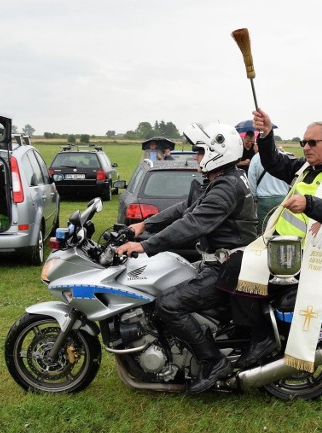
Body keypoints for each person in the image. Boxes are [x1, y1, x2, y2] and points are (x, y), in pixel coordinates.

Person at [117, 122, 258, 393]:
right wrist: (145, 225)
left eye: (200, 151)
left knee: (168, 304)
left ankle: (213, 362)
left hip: (228, 267)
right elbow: (185, 208)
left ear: (218, 152)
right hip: (221, 261)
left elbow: (192, 224)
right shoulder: (223, 179)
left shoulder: (226, 187)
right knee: (164, 282)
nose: (196, 157)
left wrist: (145, 247)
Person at [226, 109, 322, 370]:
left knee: (235, 268)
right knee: (233, 261)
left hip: (307, 259)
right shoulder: (305, 168)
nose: (306, 147)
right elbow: (274, 163)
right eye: (303, 142)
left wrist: (310, 203)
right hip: (285, 250)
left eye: (312, 142)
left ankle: (260, 336)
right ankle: (243, 330)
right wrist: (267, 134)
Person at [248, 152, 290, 234]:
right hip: (283, 199)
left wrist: (254, 197)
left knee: (263, 232)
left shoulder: (256, 158)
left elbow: (251, 178)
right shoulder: (284, 157)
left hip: (264, 200)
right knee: (279, 229)